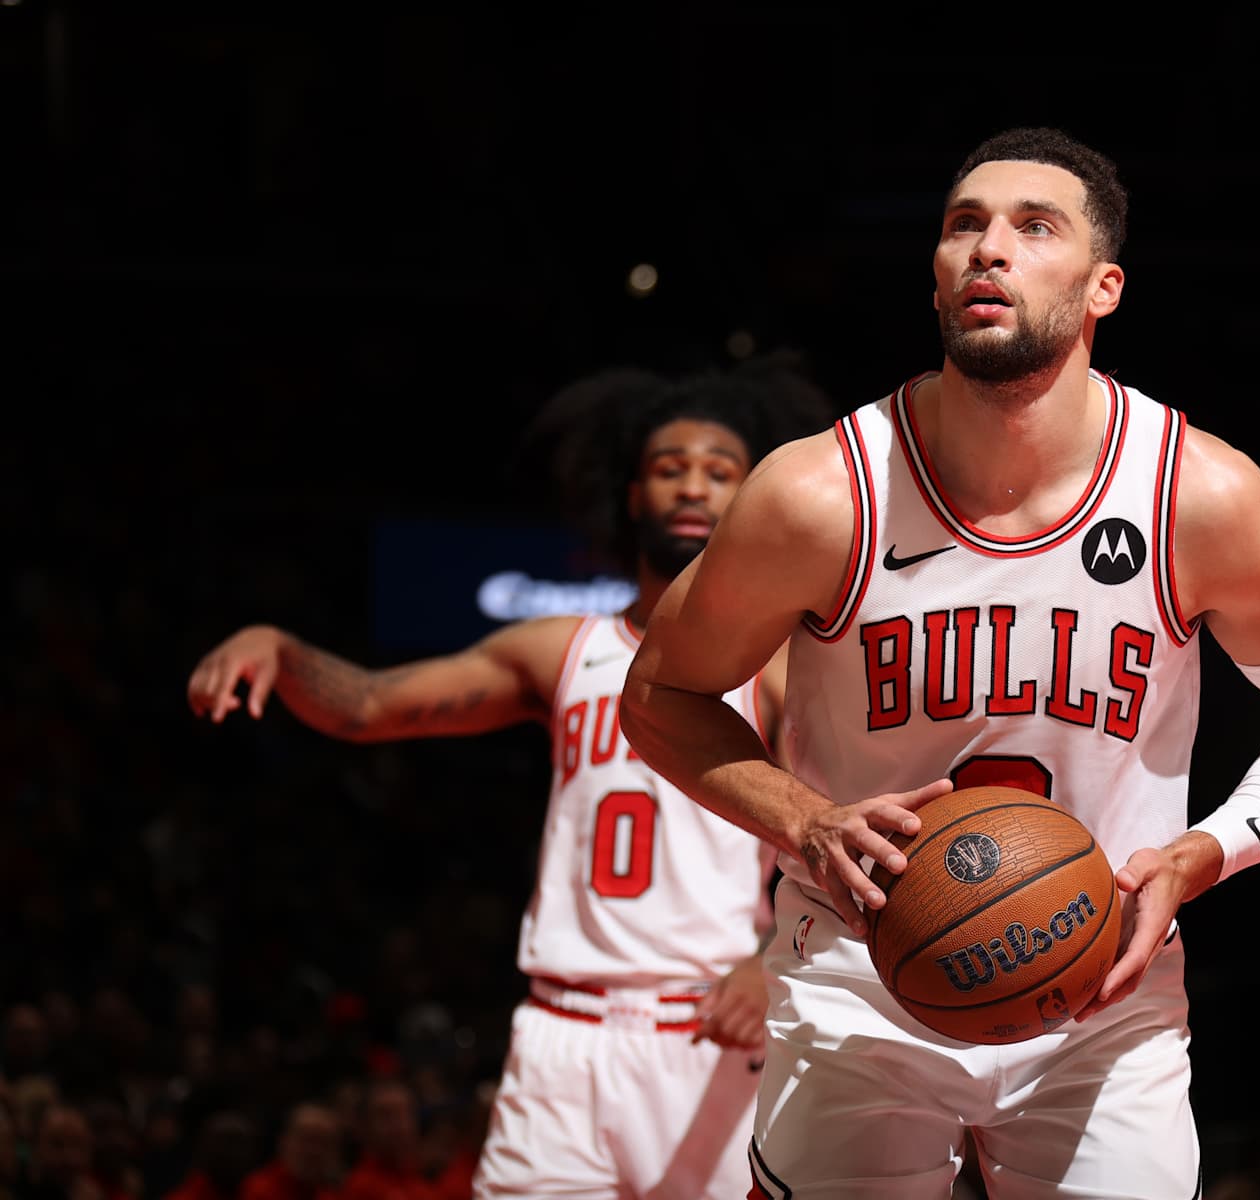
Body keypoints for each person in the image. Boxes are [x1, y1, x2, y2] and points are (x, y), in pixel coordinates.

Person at [621, 127, 1260, 1196]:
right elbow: (660, 696)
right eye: (962, 226)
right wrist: (804, 818)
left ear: (1103, 286)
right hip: (856, 974)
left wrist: (1201, 854)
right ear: (935, 279)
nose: (989, 249)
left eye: (1035, 228)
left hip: (1103, 985)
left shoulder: (1198, 496)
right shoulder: (818, 495)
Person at [186, 358, 836, 1199]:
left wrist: (772, 960)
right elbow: (375, 705)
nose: (691, 486)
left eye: (719, 471)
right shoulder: (558, 649)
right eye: (668, 467)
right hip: (561, 1034)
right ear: (630, 494)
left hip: (713, 1029)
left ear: (751, 500)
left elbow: (826, 829)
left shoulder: (779, 665)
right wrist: (283, 646)